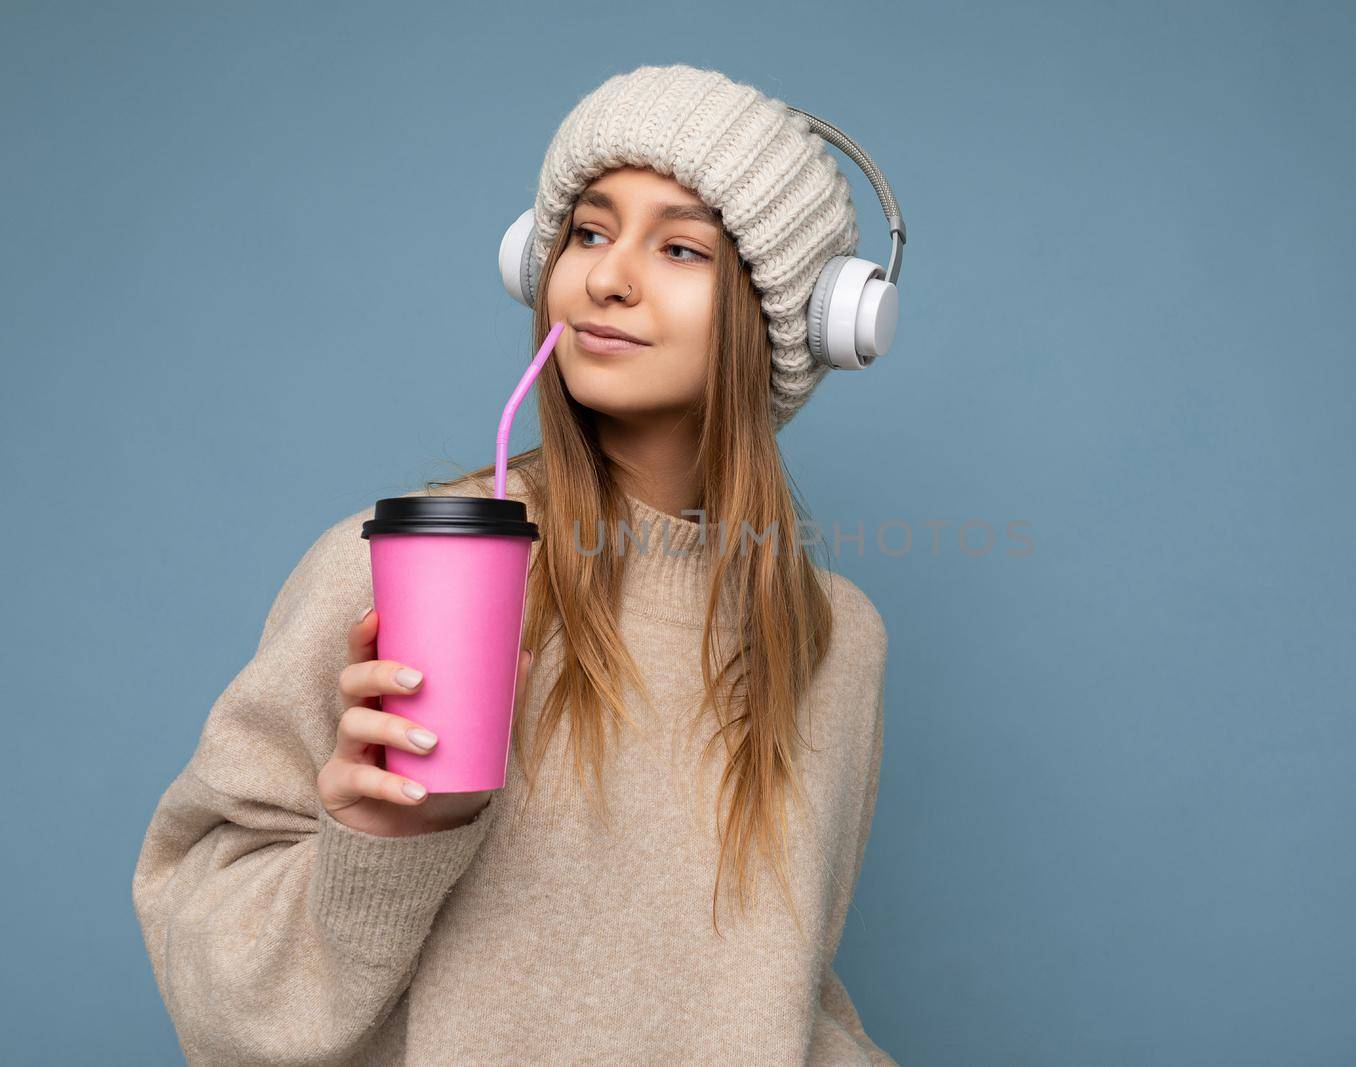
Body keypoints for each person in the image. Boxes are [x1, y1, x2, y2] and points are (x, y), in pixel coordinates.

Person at [131, 63, 896, 1064]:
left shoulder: (836, 640)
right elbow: (217, 982)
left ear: (797, 317)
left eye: (678, 247)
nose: (606, 276)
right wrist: (387, 844)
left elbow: (776, 992)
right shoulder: (397, 564)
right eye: (586, 230)